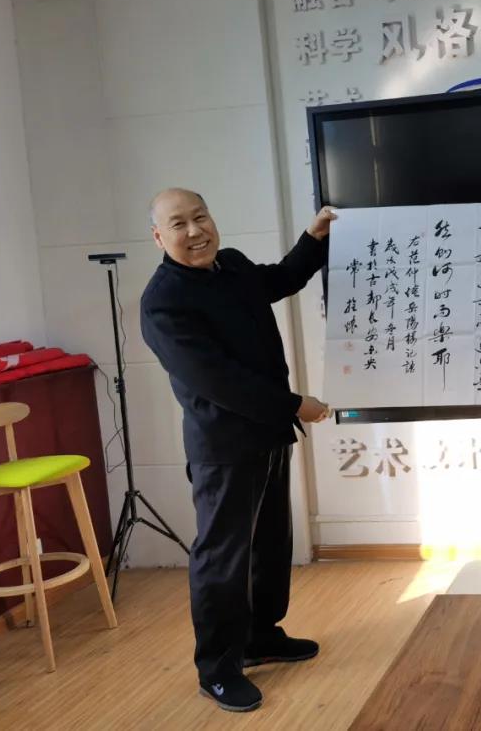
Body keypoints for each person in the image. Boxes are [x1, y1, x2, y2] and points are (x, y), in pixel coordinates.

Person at [141, 188, 335, 711]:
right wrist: (295, 405)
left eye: (200, 217)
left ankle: (260, 636)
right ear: (158, 237)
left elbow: (281, 278)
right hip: (223, 447)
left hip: (268, 433)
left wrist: (314, 239)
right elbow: (219, 381)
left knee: (270, 543)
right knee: (223, 557)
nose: (194, 231)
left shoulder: (233, 265)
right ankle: (218, 669)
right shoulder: (163, 303)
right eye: (178, 224)